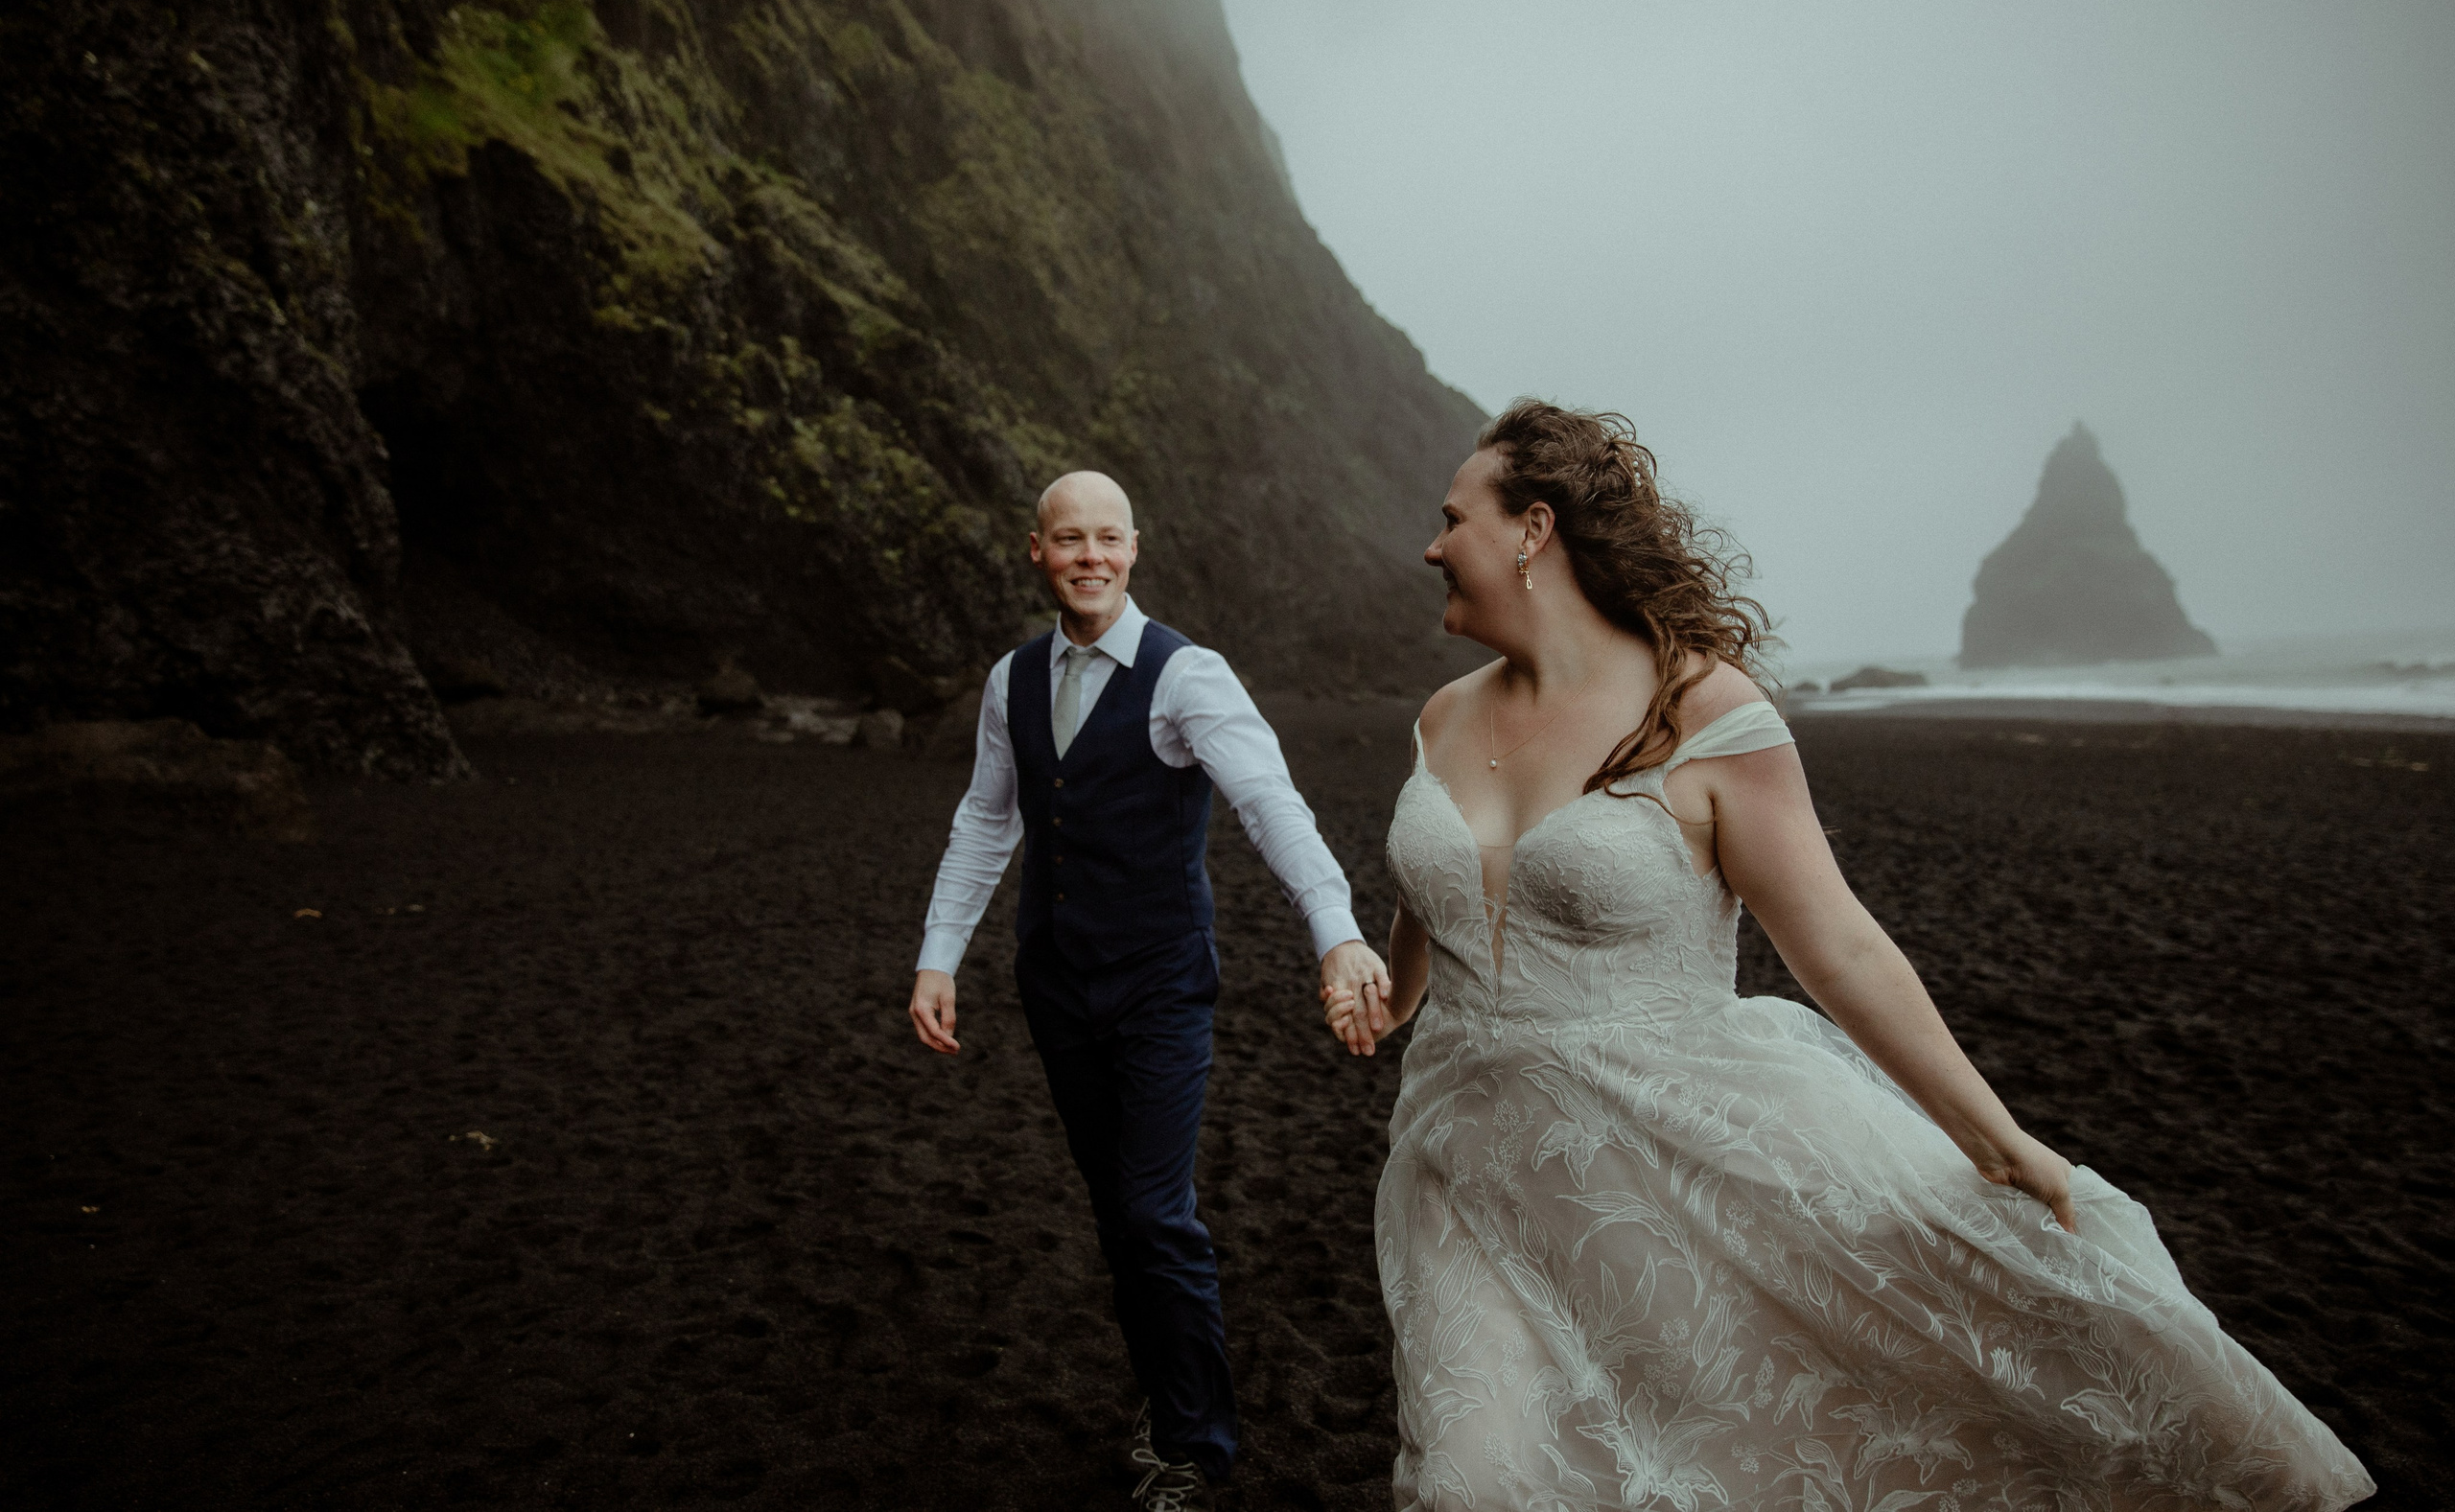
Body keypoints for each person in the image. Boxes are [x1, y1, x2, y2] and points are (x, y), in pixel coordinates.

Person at [1323, 402, 2373, 1510]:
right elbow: (1437, 890)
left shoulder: (1707, 713)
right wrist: (1390, 998)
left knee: (1711, 1451)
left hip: (1663, 1149)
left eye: (1453, 519)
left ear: (1532, 529)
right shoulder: (1441, 718)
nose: (1433, 545)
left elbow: (1842, 949)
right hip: (1461, 1163)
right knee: (1473, 1482)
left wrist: (1994, 1135)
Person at [909, 470, 1391, 1510]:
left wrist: (1336, 934)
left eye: (1108, 539)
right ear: (1035, 551)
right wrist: (938, 954)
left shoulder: (1188, 676)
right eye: (1068, 539)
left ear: (1135, 550)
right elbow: (988, 822)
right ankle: (1171, 1401)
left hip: (1161, 985)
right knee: (1115, 1212)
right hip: (1053, 982)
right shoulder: (1010, 681)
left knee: (1151, 1210)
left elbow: (1270, 803)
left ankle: (1195, 1447)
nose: (1089, 556)